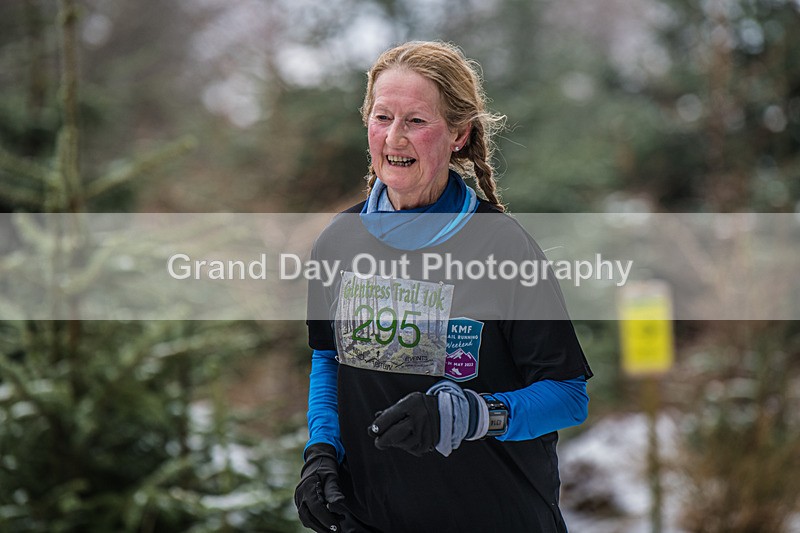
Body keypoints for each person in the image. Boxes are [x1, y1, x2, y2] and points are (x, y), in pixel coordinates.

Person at [294, 41, 592, 533]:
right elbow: (329, 358)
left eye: (416, 121)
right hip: (372, 520)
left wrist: (474, 414)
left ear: (459, 133)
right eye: (382, 117)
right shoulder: (339, 242)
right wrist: (322, 450)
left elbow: (567, 395)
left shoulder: (501, 245)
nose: (394, 137)